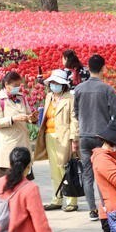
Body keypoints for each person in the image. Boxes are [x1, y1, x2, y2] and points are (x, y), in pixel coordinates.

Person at [72, 56, 116, 221]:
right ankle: (104, 206)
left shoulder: (78, 89)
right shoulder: (107, 90)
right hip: (102, 137)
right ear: (103, 68)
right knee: (103, 173)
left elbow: (75, 113)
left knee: (87, 174)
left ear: (88, 67)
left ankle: (92, 209)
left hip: (84, 136)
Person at [38, 70, 79, 212]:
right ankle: (57, 198)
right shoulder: (49, 96)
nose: (54, 85)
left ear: (63, 85)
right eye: (52, 83)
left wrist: (74, 139)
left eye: (57, 83)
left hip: (64, 137)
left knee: (65, 168)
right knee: (54, 169)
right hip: (49, 135)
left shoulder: (69, 98)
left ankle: (71, 200)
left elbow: (74, 120)